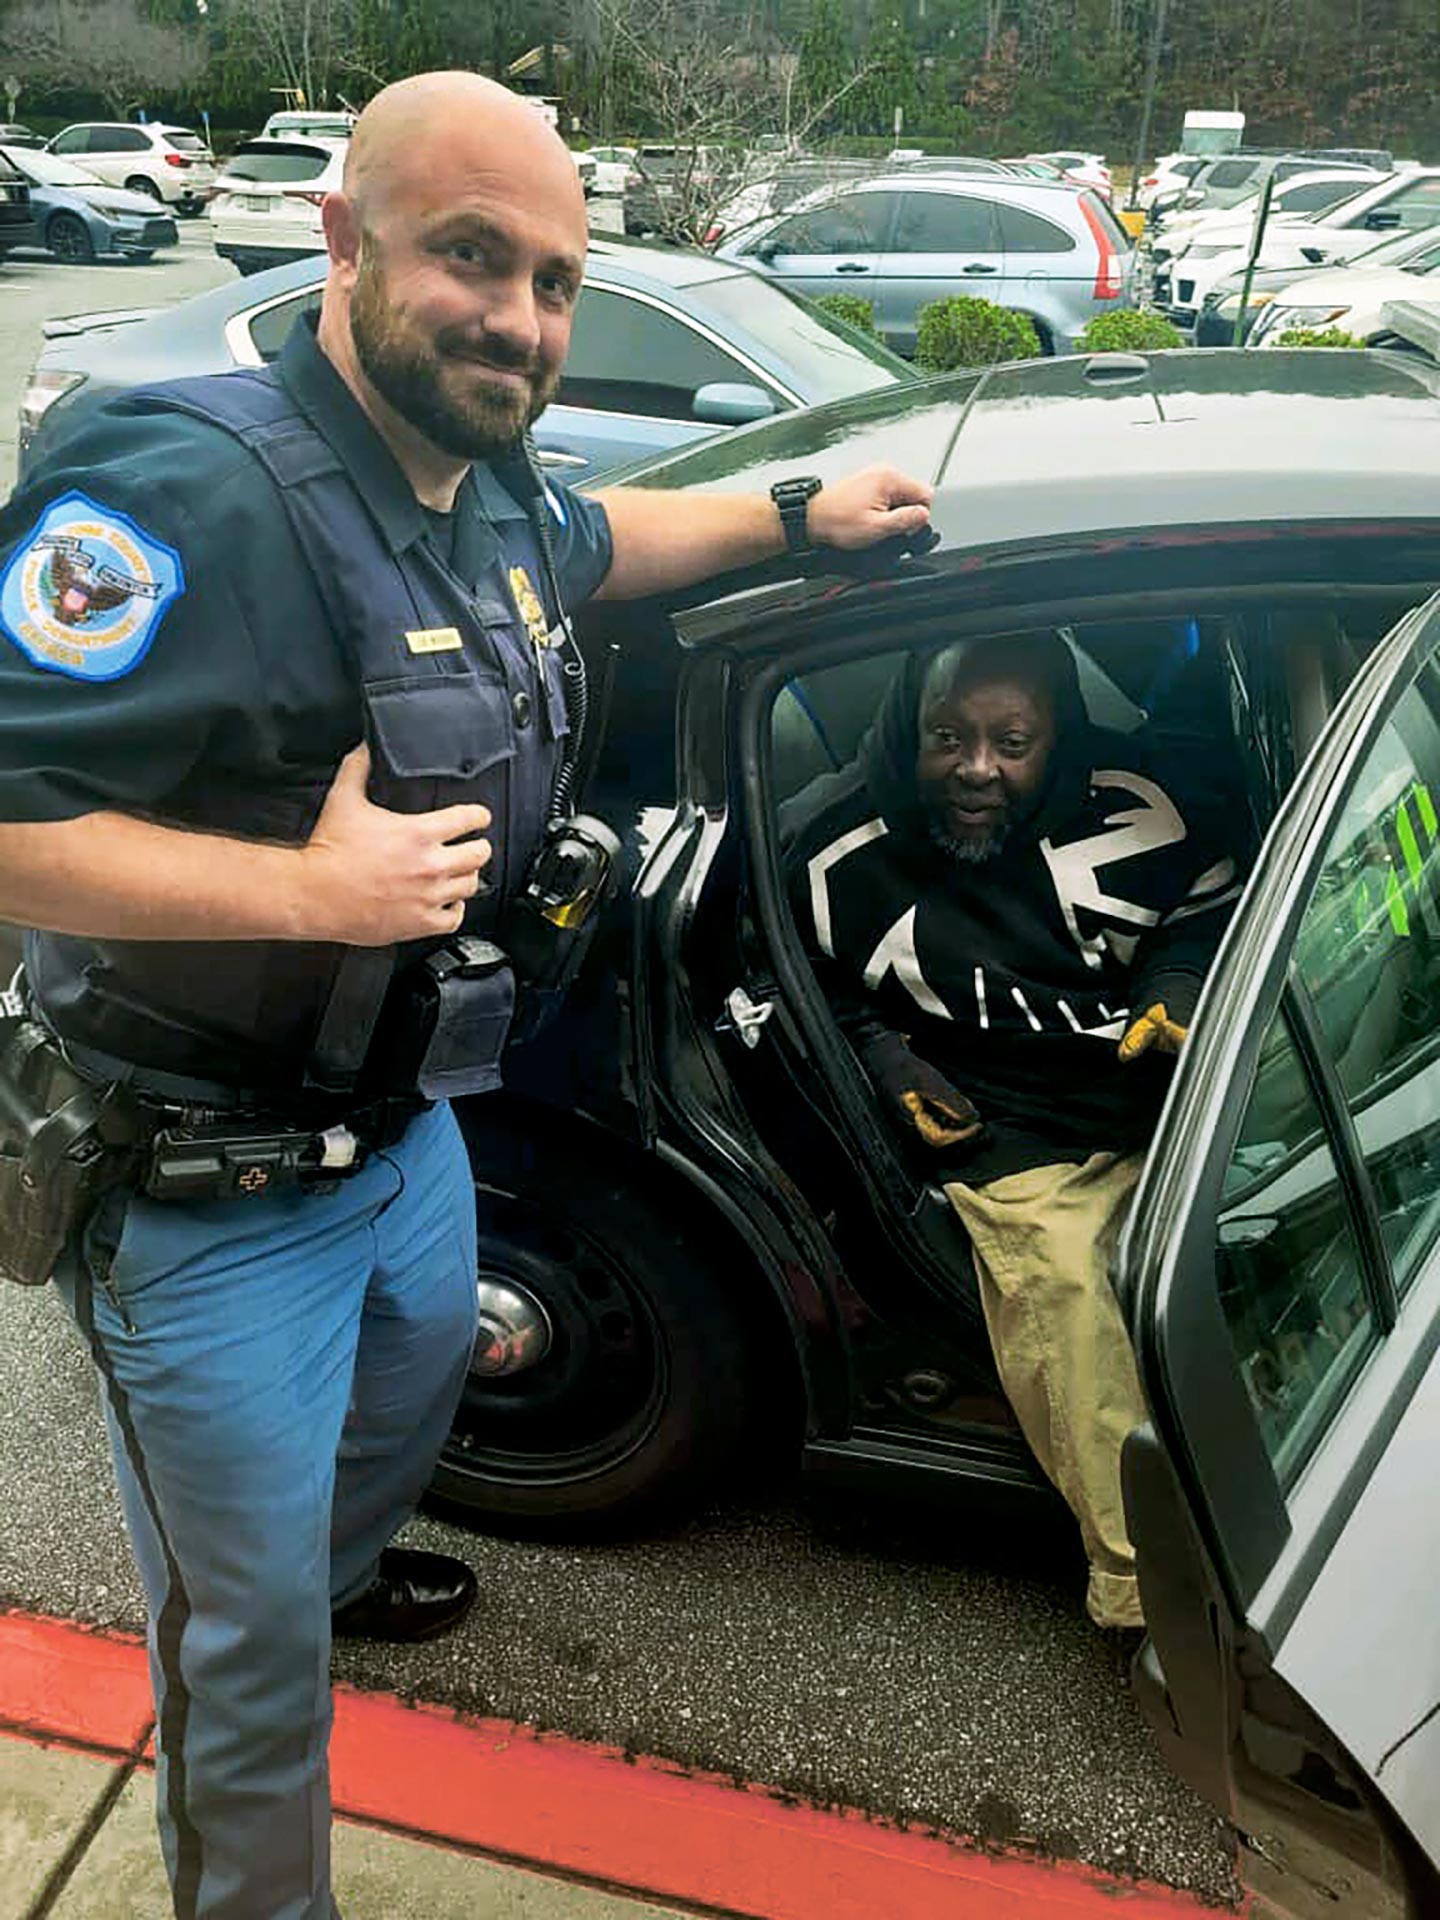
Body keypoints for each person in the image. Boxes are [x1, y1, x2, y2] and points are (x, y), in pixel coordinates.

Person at [0, 72, 932, 1920]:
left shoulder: (481, 480)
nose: (519, 318)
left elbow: (607, 546)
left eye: (556, 281)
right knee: (244, 1665)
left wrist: (795, 510)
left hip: (408, 1127)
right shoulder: (181, 489)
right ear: (343, 242)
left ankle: (325, 1566)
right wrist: (310, 893)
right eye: (472, 258)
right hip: (203, 1189)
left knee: (420, 1386)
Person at [786, 633, 1242, 1632]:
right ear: (909, 729)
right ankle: (1150, 1596)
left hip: (1156, 1090)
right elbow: (798, 977)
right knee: (1067, 1295)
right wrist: (889, 1063)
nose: (977, 769)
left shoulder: (1139, 810)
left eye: (1012, 742)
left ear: (1059, 736)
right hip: (1002, 1126)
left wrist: (1174, 986)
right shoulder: (828, 851)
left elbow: (1210, 903)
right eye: (947, 737)